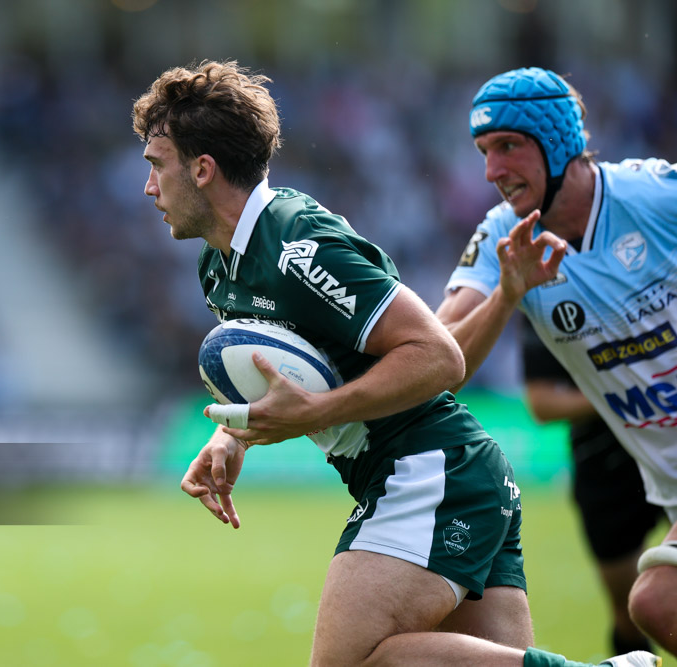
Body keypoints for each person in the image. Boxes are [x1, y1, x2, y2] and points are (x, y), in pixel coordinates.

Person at [133, 60, 658, 667]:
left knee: (350, 662)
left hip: (429, 471)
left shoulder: (300, 244)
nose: (149, 187)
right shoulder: (219, 265)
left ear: (202, 169)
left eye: (156, 164)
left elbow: (438, 355)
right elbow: (305, 361)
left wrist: (318, 413)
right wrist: (234, 437)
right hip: (454, 476)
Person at [437, 66, 677, 658]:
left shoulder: (653, 197)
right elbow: (438, 362)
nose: (493, 171)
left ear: (559, 143)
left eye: (510, 146)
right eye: (485, 152)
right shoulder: (503, 237)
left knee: (656, 602)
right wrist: (507, 294)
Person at [521, 318, 663, 655]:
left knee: (661, 602)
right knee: (630, 612)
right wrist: (622, 392)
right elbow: (541, 403)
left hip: (667, 448)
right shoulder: (546, 293)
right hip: (604, 468)